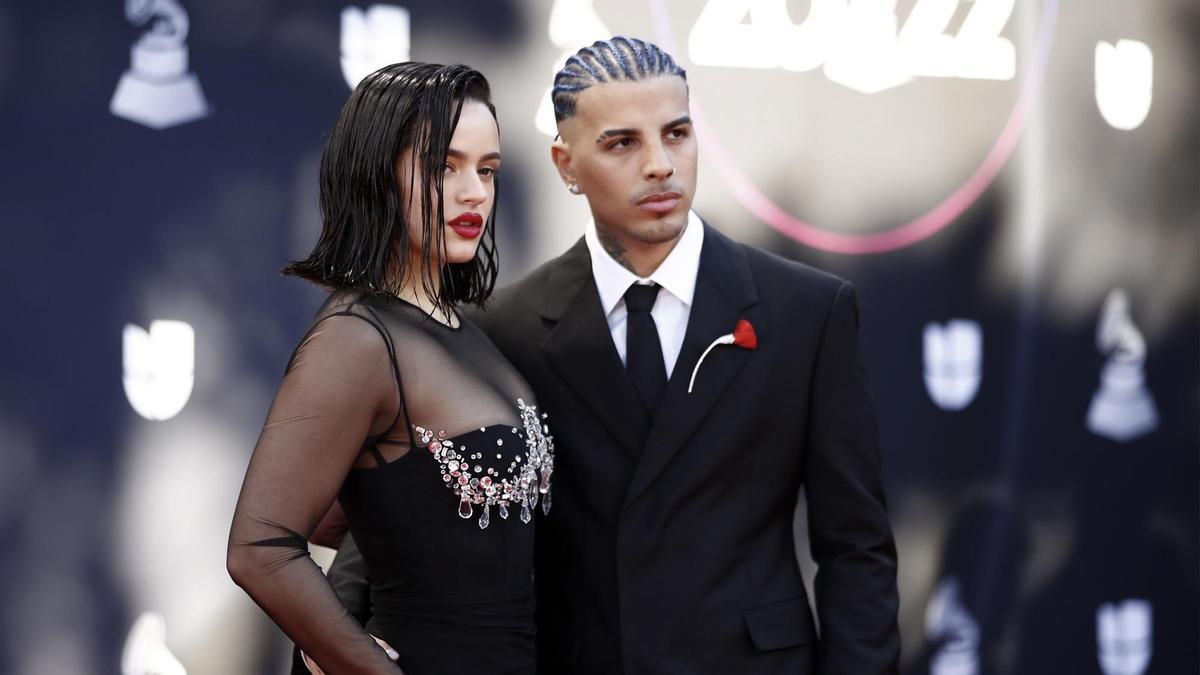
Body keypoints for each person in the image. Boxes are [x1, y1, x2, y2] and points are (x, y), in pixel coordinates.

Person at [326, 36, 900, 673]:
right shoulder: (506, 326)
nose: (660, 164)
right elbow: (410, 502)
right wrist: (336, 628)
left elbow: (856, 548)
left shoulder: (807, 312)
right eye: (622, 142)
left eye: (677, 133)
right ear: (565, 164)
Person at [227, 61, 554, 675]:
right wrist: (349, 657)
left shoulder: (460, 330)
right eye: (444, 166)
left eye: (487, 170)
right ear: (377, 175)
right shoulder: (357, 338)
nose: (475, 192)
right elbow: (259, 546)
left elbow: (380, 509)